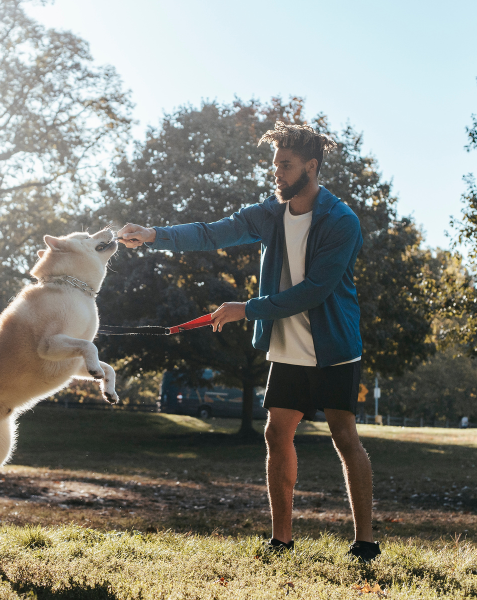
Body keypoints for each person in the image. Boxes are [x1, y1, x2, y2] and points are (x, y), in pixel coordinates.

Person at [117, 121, 380, 563]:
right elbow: (211, 232)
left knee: (344, 437)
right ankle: (281, 540)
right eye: (275, 164)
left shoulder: (341, 221)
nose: (276, 173)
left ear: (311, 167)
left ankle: (366, 541)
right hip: (288, 351)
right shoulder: (269, 214)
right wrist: (154, 235)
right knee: (277, 434)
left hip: (334, 348)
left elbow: (315, 289)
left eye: (286, 165)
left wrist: (247, 308)